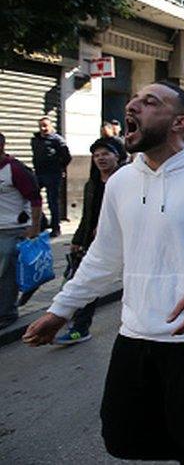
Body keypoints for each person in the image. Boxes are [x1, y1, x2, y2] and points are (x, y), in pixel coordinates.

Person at [22, 81, 184, 464]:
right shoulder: (120, 181)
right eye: (133, 100)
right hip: (136, 329)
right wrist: (61, 309)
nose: (133, 105)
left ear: (179, 122)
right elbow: (104, 256)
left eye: (149, 102)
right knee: (122, 435)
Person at [52, 137, 125, 345]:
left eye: (106, 154)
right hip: (95, 243)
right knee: (85, 281)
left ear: (117, 156)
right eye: (96, 155)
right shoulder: (92, 184)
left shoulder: (127, 180)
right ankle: (80, 327)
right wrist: (77, 239)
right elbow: (87, 215)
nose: (100, 158)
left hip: (125, 241)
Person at [0, 132, 42, 329]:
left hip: (13, 229)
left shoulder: (14, 169)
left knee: (6, 273)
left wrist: (35, 226)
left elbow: (35, 198)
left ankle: (7, 313)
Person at [30, 116, 71, 237]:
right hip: (38, 174)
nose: (43, 128)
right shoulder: (35, 139)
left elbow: (67, 157)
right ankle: (42, 223)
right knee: (32, 198)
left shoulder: (57, 140)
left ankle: (55, 227)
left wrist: (60, 168)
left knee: (53, 202)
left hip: (53, 175)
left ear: (51, 126)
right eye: (41, 126)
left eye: (45, 125)